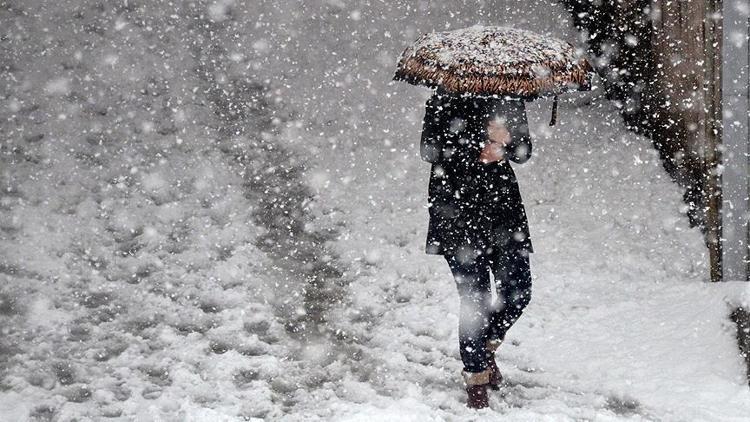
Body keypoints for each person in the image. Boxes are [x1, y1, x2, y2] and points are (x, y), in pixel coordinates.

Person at [420, 87, 534, 409]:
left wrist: (506, 143)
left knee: (518, 290)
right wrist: (476, 144)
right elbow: (429, 150)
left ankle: (483, 347)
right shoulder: (443, 98)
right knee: (476, 299)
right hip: (456, 209)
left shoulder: (509, 96)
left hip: (502, 211)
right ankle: (476, 379)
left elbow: (524, 151)